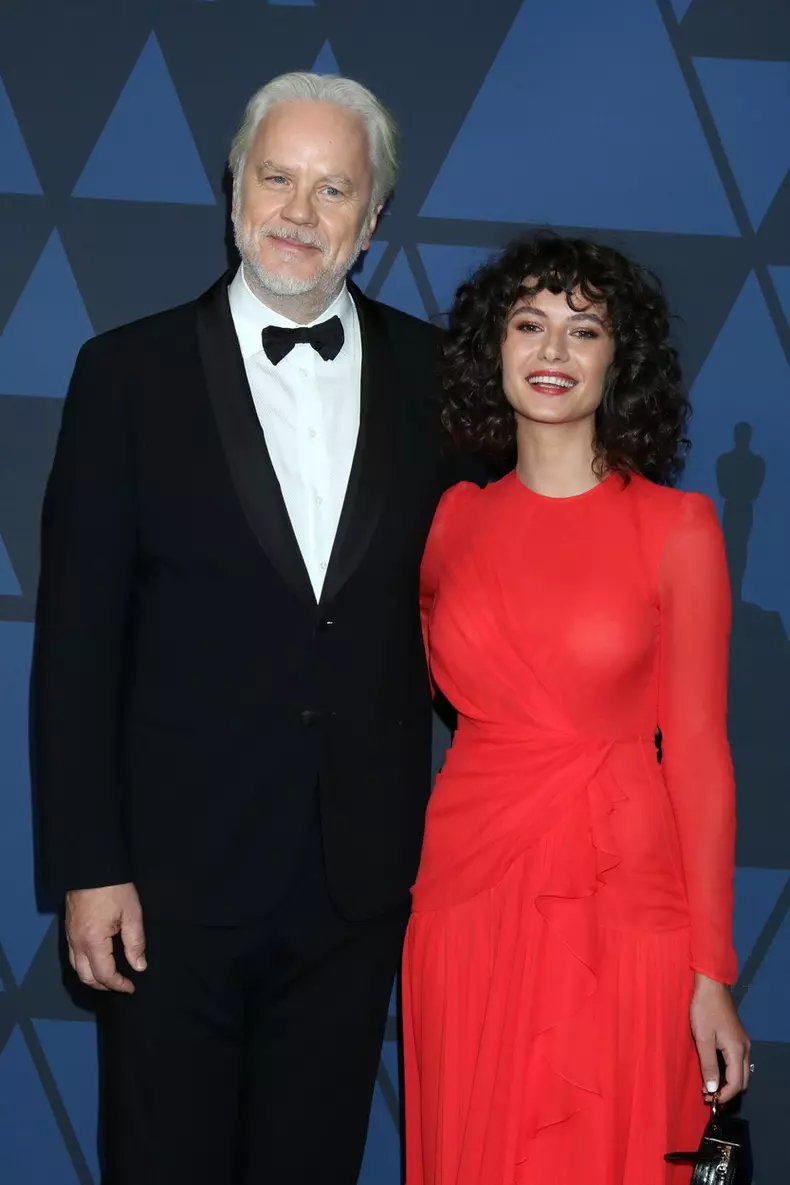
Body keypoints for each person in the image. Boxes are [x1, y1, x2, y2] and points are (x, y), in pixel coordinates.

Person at [33, 72, 477, 1185]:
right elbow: (77, 644)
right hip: (168, 888)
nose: (298, 211)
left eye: (334, 190)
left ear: (371, 223)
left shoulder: (439, 381)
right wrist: (90, 869)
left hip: (358, 882)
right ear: (233, 190)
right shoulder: (124, 374)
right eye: (275, 177)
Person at [403, 234, 751, 1185]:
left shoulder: (676, 527)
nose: (553, 351)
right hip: (467, 893)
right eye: (530, 324)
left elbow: (702, 758)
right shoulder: (452, 526)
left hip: (625, 898)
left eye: (583, 329)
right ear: (495, 348)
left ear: (616, 360)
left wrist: (713, 971)